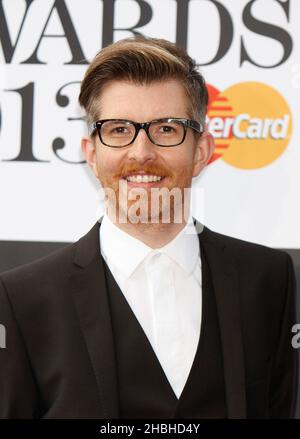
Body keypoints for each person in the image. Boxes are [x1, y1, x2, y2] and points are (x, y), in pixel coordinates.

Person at [0, 36, 298, 419]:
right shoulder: (22, 299)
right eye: (119, 130)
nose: (141, 152)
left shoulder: (268, 280)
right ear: (92, 153)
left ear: (202, 151)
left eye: (167, 129)